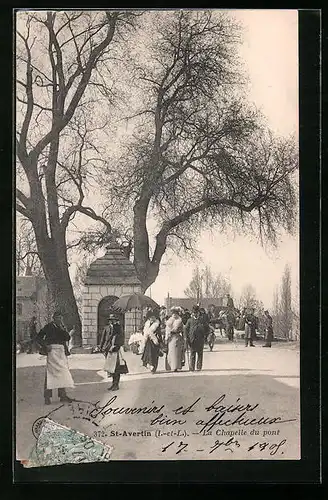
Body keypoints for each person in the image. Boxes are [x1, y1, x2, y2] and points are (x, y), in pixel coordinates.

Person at [36, 311, 74, 405]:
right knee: (50, 374)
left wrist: (63, 328)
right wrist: (45, 346)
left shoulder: (61, 327)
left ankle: (62, 395)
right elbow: (38, 337)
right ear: (54, 318)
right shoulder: (48, 327)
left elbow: (67, 338)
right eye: (58, 318)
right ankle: (47, 397)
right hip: (52, 351)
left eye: (61, 318)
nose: (59, 320)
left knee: (62, 372)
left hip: (61, 352)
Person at [100, 315, 126, 391]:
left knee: (116, 368)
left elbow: (121, 338)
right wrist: (101, 347)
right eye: (111, 320)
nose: (112, 321)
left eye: (114, 320)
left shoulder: (118, 328)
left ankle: (116, 384)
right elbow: (103, 338)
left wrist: (117, 346)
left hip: (115, 349)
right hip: (107, 349)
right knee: (110, 368)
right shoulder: (107, 328)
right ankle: (113, 384)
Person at [184, 305, 207, 371]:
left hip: (200, 340)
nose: (195, 314)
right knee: (192, 354)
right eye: (194, 313)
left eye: (196, 313)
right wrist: (186, 337)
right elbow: (186, 329)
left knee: (200, 354)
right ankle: (192, 368)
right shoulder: (190, 320)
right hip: (192, 340)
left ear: (198, 313)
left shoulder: (202, 320)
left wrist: (205, 335)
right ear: (192, 313)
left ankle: (199, 367)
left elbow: (206, 328)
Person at [165, 307, 184, 372]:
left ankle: (176, 366)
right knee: (171, 352)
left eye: (176, 313)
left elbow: (182, 329)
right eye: (173, 313)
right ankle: (170, 366)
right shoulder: (169, 320)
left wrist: (181, 333)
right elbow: (167, 329)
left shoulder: (179, 320)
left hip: (177, 337)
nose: (174, 315)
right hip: (170, 338)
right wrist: (166, 337)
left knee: (177, 353)